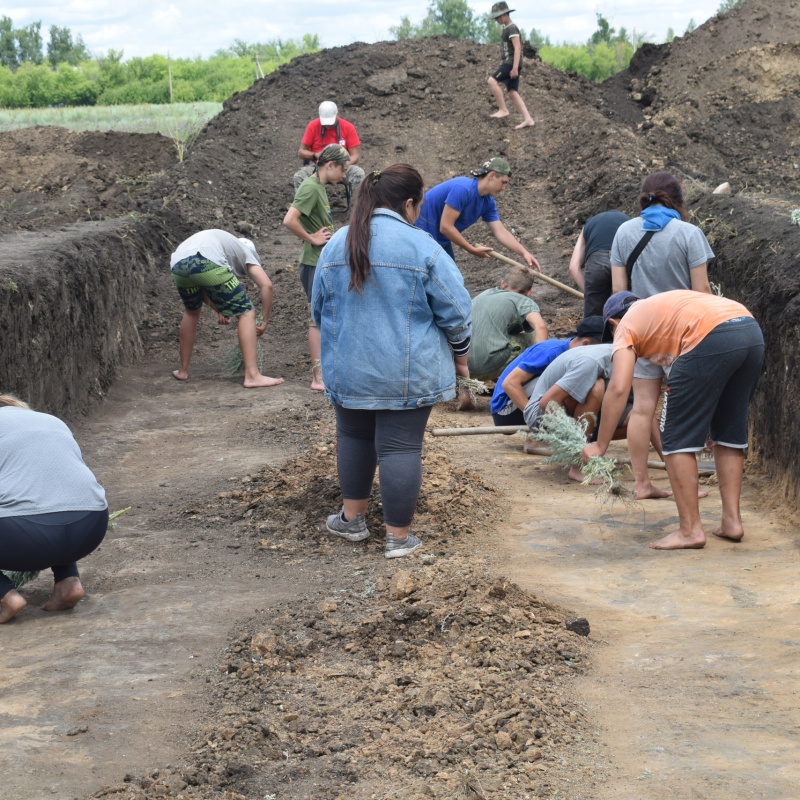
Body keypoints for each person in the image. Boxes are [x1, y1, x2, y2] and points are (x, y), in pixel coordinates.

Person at [312, 164, 472, 559]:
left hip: (348, 369)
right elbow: (456, 312)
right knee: (400, 448)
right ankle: (398, 539)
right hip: (406, 374)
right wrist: (461, 354)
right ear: (411, 204)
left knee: (353, 436)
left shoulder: (336, 245)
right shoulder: (422, 246)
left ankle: (352, 521)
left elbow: (318, 310)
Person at [582, 290, 764, 550]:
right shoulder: (662, 311)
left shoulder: (625, 327)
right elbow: (642, 400)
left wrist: (600, 445)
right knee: (728, 432)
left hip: (710, 336)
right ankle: (731, 522)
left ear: (612, 324)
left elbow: (619, 388)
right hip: (748, 329)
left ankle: (690, 530)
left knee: (676, 437)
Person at [609, 172, 714, 499]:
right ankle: (687, 488)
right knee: (682, 409)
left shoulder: (624, 232)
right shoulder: (689, 233)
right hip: (680, 336)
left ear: (644, 198)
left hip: (640, 333)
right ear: (678, 201)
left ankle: (642, 483)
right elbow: (703, 291)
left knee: (642, 408)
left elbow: (618, 293)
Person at [0, 395, 109, 624]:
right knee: (50, 497)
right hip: (92, 525)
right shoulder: (50, 421)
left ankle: (6, 597)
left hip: (26, 537)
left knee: (33, 505)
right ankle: (68, 582)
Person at [170, 230, 284, 388]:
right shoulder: (246, 252)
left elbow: (200, 284)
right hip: (204, 260)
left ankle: (182, 370)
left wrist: (219, 309)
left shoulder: (223, 245)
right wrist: (264, 321)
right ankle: (252, 376)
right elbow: (267, 285)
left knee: (191, 311)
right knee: (247, 312)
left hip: (178, 263)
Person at [283, 144, 351, 390]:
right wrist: (312, 238)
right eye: (342, 170)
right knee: (316, 318)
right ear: (329, 165)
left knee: (325, 315)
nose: (344, 176)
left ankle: (326, 372)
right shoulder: (310, 187)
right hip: (313, 263)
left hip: (321, 262)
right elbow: (289, 219)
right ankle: (317, 378)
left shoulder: (319, 187)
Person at [523, 341, 633, 481]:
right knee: (596, 387)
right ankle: (578, 464)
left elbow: (643, 415)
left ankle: (586, 444)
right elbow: (548, 402)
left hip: (581, 415)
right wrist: (573, 445)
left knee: (636, 421)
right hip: (541, 414)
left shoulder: (638, 367)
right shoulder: (592, 361)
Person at [414, 158, 541, 270]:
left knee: (451, 280)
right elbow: (446, 227)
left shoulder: (488, 202)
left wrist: (524, 253)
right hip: (419, 235)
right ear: (491, 175)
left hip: (440, 240)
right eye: (503, 182)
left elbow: (500, 231)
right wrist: (471, 249)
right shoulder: (463, 188)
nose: (504, 188)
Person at [490, 316, 605, 427]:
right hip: (504, 410)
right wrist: (533, 420)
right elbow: (509, 384)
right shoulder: (550, 350)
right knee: (563, 381)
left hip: (526, 403)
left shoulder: (574, 355)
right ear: (585, 344)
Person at [292, 101, 366, 194]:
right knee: (299, 177)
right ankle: (304, 207)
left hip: (342, 167)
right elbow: (302, 152)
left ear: (337, 114)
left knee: (358, 174)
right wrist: (316, 155)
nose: (328, 126)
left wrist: (342, 164)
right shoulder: (313, 126)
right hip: (318, 167)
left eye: (331, 122)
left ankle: (357, 206)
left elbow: (355, 156)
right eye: (326, 123)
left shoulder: (348, 127)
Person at [568, 210, 631, 317]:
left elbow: (573, 267)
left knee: (594, 320)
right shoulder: (630, 222)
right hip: (623, 259)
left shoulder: (589, 225)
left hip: (597, 262)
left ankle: (594, 332)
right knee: (625, 309)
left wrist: (592, 294)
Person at [487, 2, 536, 129]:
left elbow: (518, 47)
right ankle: (528, 119)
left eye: (498, 17)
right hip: (511, 63)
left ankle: (503, 109)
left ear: (504, 15)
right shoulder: (507, 28)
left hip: (510, 63)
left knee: (492, 81)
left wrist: (514, 68)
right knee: (512, 92)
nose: (497, 20)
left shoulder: (512, 28)